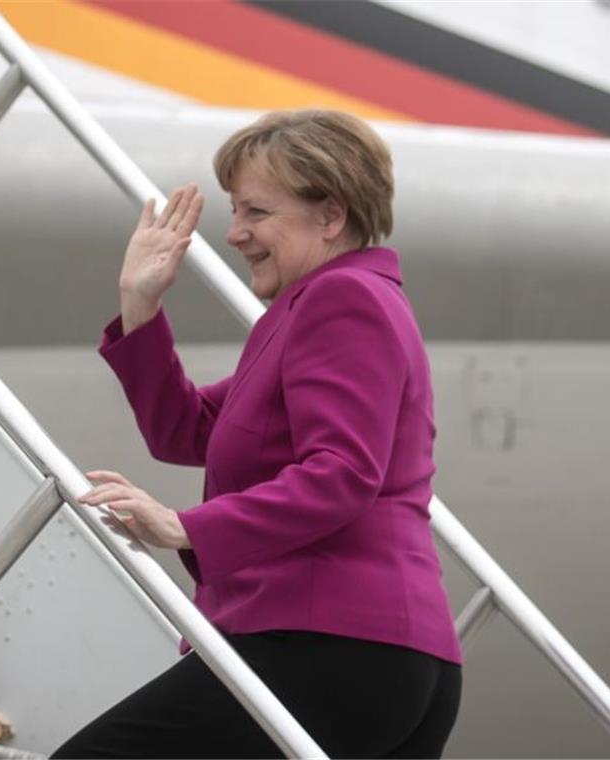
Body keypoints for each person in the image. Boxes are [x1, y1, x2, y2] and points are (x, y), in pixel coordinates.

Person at [52, 110, 462, 759]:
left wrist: (185, 527)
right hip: (374, 660)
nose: (235, 233)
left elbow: (343, 473)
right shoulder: (312, 307)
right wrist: (141, 303)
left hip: (327, 644)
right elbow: (188, 430)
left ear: (330, 216)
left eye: (255, 212)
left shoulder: (342, 301)